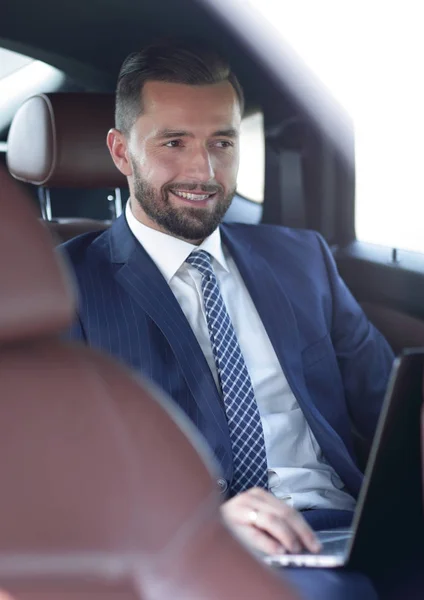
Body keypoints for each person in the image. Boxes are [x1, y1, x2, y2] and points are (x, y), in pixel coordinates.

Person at [62, 39, 394, 598]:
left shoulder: (302, 259)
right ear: (122, 152)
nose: (204, 170)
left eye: (223, 142)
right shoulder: (62, 288)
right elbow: (59, 479)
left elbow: (394, 405)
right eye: (174, 142)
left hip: (351, 531)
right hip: (200, 550)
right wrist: (200, 522)